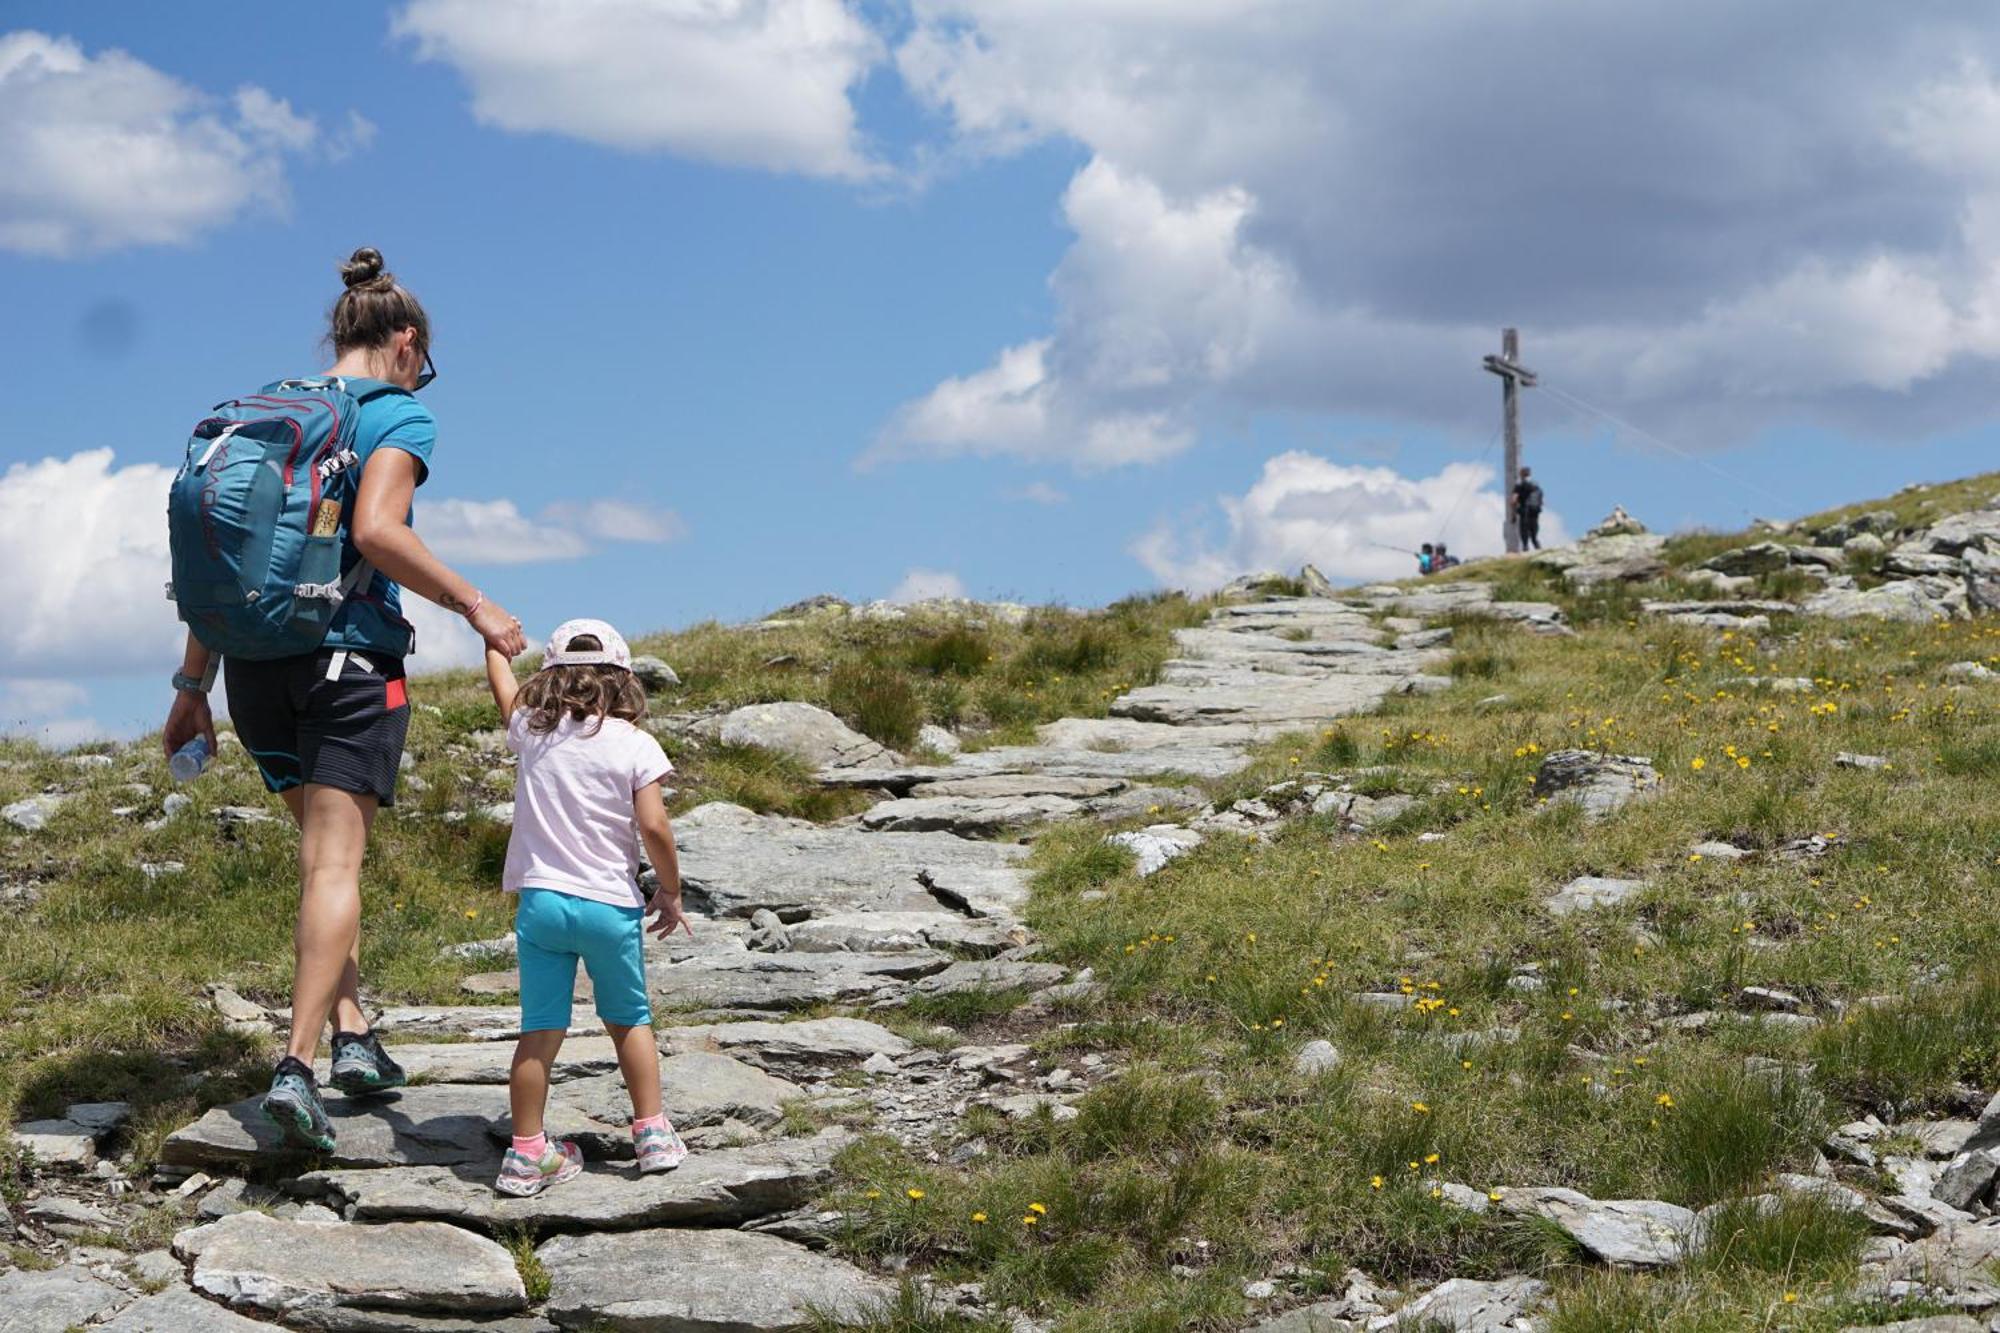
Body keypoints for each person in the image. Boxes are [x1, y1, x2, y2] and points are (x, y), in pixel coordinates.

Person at [161, 248, 528, 1152]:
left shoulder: (267, 410)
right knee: (335, 869)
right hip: (348, 662)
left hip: (251, 668)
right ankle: (297, 1064)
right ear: (406, 342)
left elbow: (238, 558)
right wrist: (477, 605)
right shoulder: (397, 414)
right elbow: (374, 530)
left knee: (322, 860)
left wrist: (190, 685)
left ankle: (355, 1034)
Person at [484, 620, 692, 1197]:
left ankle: (527, 1154)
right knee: (628, 1018)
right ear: (623, 680)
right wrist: (670, 890)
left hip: (543, 904)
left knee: (540, 1029)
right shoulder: (635, 743)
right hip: (609, 906)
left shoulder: (530, 730)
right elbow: (653, 825)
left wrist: (493, 645)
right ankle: (651, 1135)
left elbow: (503, 689)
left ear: (549, 677)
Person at [1512, 467, 1544, 551]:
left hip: (1524, 510)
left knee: (1524, 529)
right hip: (1535, 510)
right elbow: (1542, 501)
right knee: (1534, 530)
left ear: (1521, 474)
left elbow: (1514, 500)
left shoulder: (1519, 485)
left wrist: (1513, 514)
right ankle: (1537, 545)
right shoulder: (1537, 485)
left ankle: (1525, 547)